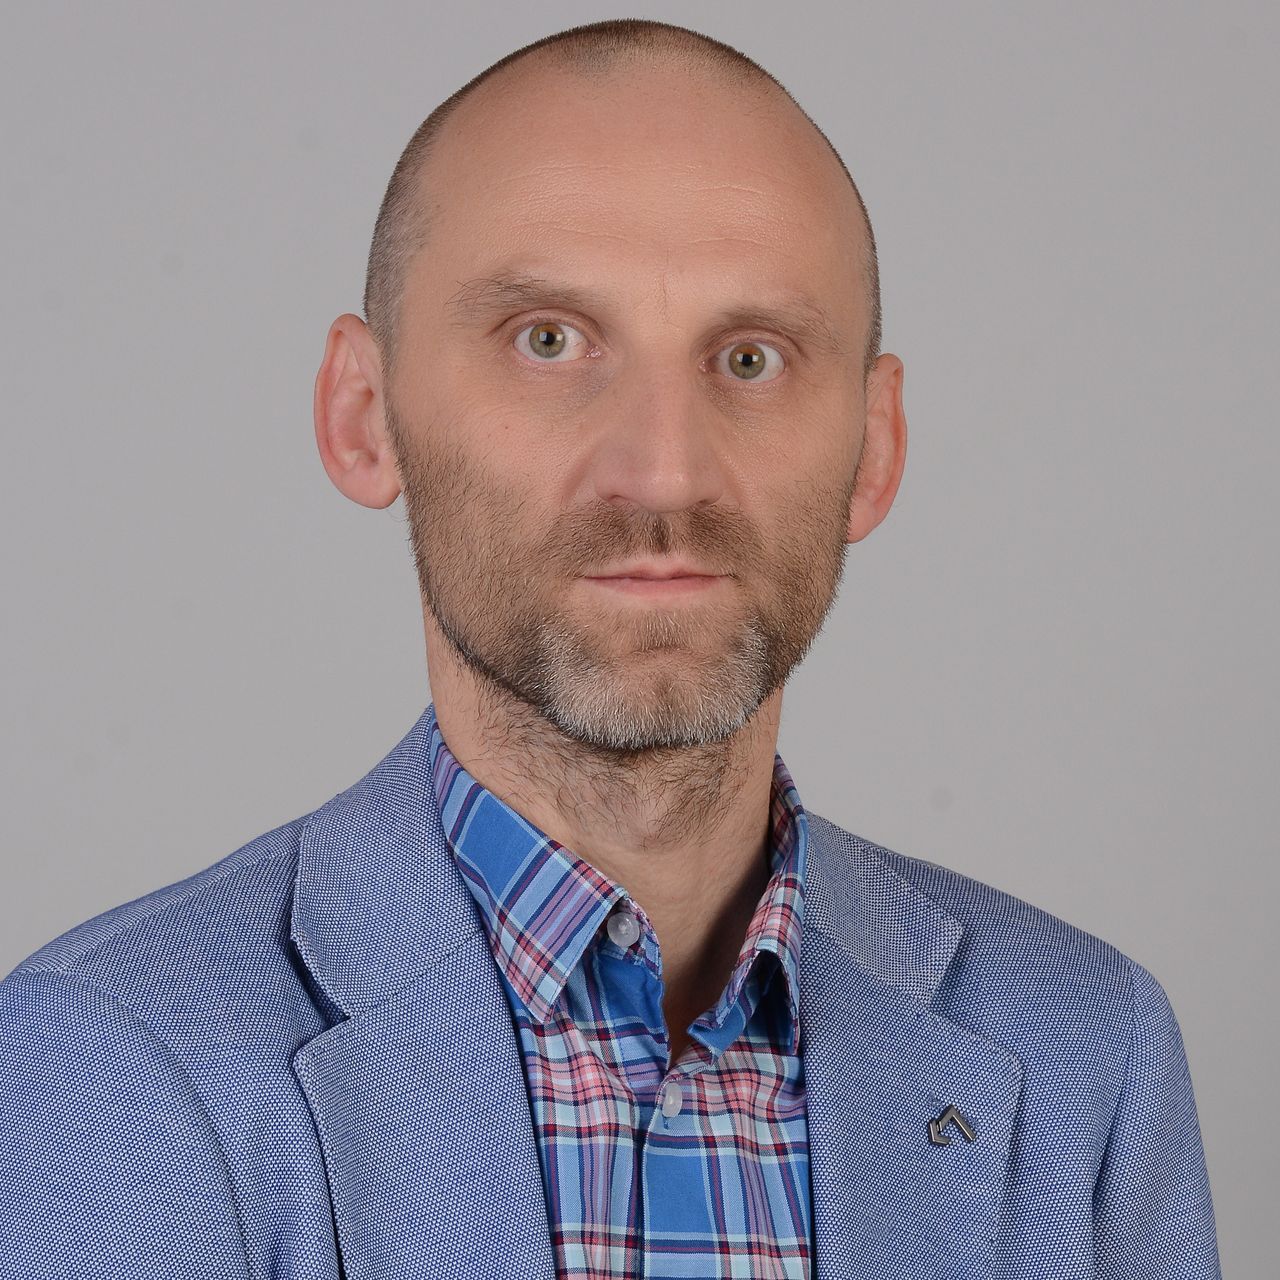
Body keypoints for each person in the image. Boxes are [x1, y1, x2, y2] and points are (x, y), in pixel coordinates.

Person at [0, 17, 1220, 1280]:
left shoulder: (1086, 1054)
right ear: (364, 415)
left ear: (872, 446)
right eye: (547, 339)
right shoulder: (122, 1064)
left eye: (749, 358)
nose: (663, 472)